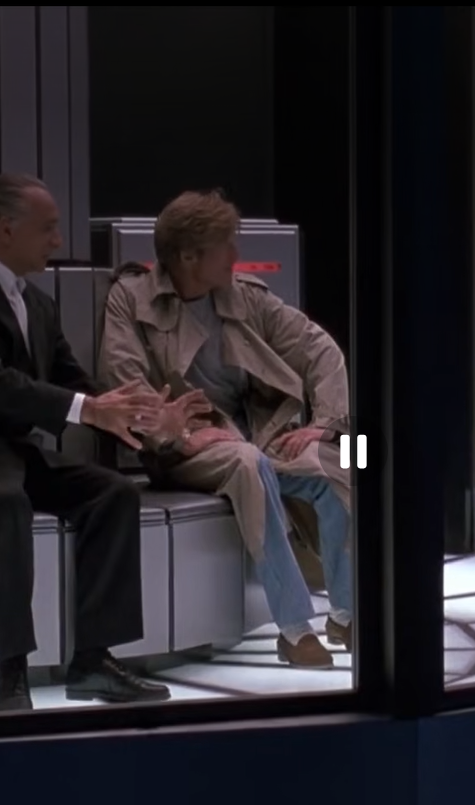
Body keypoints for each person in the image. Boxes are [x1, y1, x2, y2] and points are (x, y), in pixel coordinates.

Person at [0, 173, 203, 711]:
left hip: (14, 453)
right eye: (47, 228)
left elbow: (75, 384)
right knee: (5, 500)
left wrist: (147, 420)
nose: (57, 240)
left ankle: (94, 662)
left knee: (114, 492)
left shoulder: (39, 304)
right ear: (6, 229)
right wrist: (88, 409)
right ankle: (13, 674)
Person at [99, 189, 353, 669]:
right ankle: (295, 629)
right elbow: (124, 385)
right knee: (247, 462)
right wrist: (181, 434)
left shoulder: (245, 297)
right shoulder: (130, 300)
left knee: (344, 458)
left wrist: (324, 425)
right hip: (180, 450)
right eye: (226, 246)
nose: (236, 255)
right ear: (188, 256)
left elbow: (321, 350)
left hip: (256, 436)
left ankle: (347, 613)